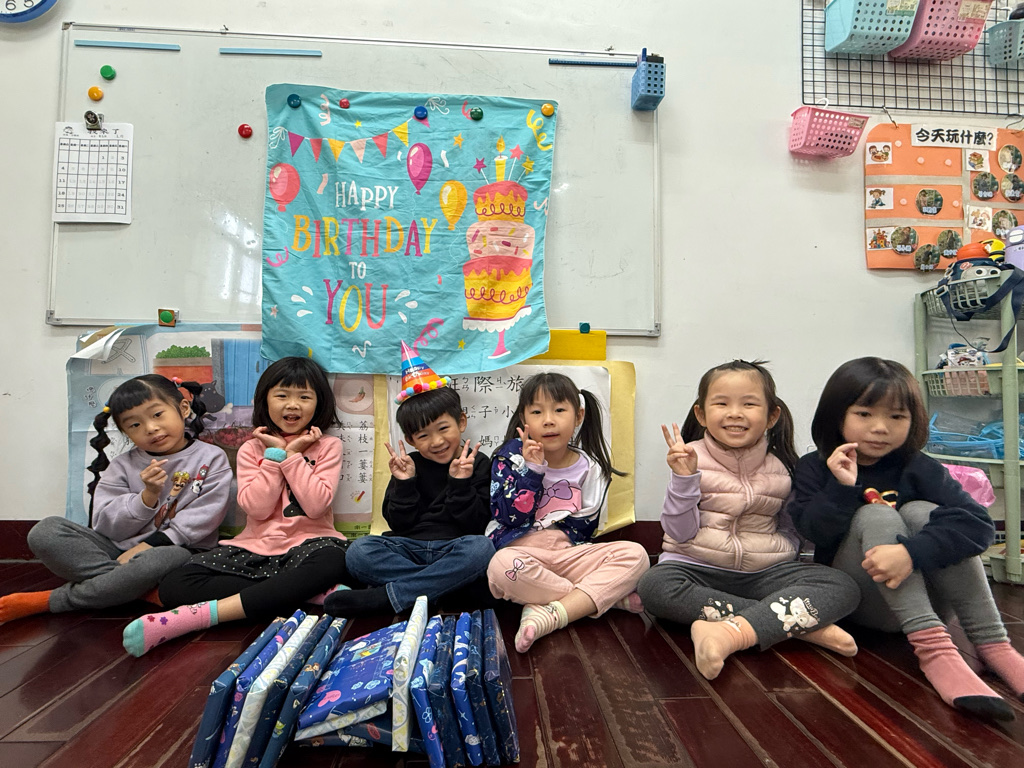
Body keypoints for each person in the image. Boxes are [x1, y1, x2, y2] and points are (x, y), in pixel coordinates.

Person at [789, 357, 1023, 721]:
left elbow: (979, 525)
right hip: (859, 604)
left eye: (897, 416)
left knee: (924, 512)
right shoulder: (815, 466)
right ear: (837, 415)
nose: (880, 428)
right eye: (864, 414)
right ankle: (935, 652)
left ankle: (994, 644)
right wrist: (842, 487)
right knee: (876, 514)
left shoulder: (918, 465)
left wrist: (910, 554)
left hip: (926, 601)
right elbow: (814, 532)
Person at [636, 360, 860, 680]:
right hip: (696, 568)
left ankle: (728, 631)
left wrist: (782, 551)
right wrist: (684, 480)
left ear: (772, 416)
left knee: (842, 586)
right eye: (721, 403)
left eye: (749, 404)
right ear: (701, 414)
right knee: (654, 587)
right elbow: (679, 533)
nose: (735, 413)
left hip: (765, 573)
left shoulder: (784, 467)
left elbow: (792, 529)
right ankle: (796, 625)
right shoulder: (689, 458)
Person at [122, 357, 350, 656]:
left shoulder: (328, 446)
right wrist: (275, 456)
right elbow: (257, 509)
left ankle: (197, 617)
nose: (293, 405)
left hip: (312, 544)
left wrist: (294, 456)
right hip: (255, 547)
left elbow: (316, 506)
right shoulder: (250, 449)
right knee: (176, 584)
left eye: (305, 397)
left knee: (335, 562)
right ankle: (304, 592)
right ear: (264, 400)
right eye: (282, 395)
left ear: (319, 404)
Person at [0, 375, 230, 623]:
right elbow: (105, 525)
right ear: (125, 432)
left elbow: (207, 514)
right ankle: (137, 589)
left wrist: (151, 544)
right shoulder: (122, 465)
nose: (150, 428)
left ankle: (55, 600)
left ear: (183, 409)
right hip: (118, 550)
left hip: (179, 550)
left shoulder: (212, 457)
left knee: (162, 558)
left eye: (157, 415)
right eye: (135, 425)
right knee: (44, 532)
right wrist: (146, 497)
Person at [487, 372, 649, 653]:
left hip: (568, 555)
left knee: (637, 556)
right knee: (500, 568)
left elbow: (585, 529)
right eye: (537, 412)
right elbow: (507, 517)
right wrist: (532, 471)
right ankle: (596, 600)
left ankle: (548, 611)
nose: (549, 420)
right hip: (521, 554)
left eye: (559, 410)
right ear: (524, 419)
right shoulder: (510, 457)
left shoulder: (590, 467)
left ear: (578, 416)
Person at [326, 359, 493, 617]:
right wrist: (405, 483)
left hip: (455, 547)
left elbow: (478, 523)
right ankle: (446, 587)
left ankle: (389, 597)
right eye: (423, 435)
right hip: (407, 548)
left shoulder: (477, 462)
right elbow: (398, 524)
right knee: (359, 551)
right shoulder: (408, 465)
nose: (436, 441)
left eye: (443, 429)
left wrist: (460, 483)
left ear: (461, 422)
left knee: (482, 549)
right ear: (410, 439)